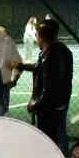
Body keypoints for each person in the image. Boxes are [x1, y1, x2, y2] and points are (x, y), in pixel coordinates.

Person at [26, 19, 73, 150]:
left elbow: (50, 86)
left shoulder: (53, 54)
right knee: (56, 133)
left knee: (51, 137)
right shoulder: (50, 52)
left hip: (51, 105)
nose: (37, 40)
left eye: (38, 35)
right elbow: (39, 69)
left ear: (42, 36)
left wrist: (36, 103)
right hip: (55, 103)